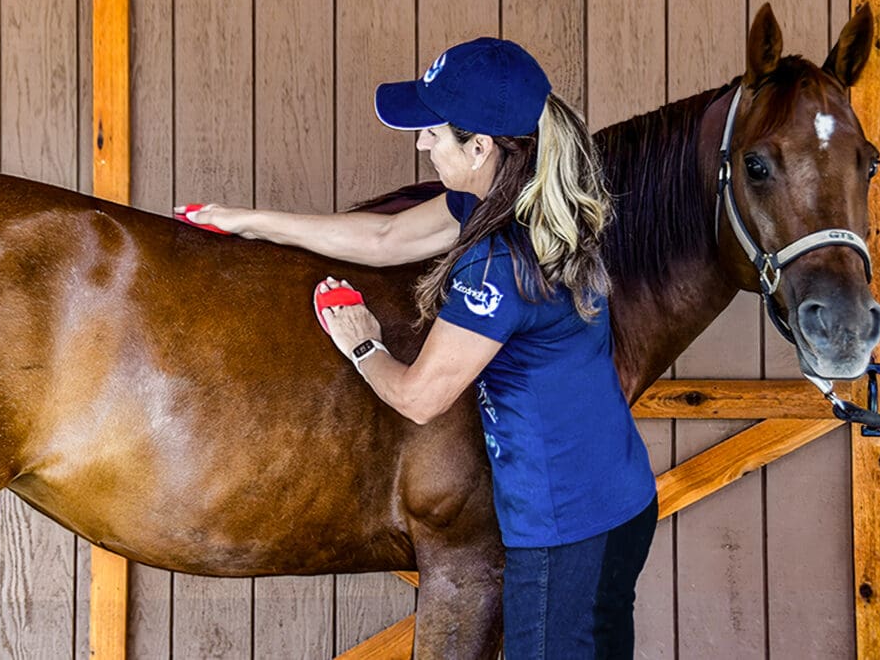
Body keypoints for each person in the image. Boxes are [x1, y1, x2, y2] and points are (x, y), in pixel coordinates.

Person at [178, 37, 657, 659]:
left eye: (433, 133)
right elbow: (384, 236)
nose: (420, 144)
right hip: (620, 502)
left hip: (567, 530)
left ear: (480, 146)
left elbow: (420, 397)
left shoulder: (497, 263)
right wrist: (250, 222)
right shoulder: (525, 197)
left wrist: (362, 343)